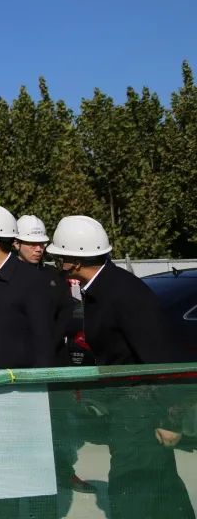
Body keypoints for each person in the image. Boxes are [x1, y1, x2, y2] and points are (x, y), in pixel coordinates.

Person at [48, 215, 194, 518]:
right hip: (128, 409)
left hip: (144, 411)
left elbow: (163, 360)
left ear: (75, 262)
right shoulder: (100, 289)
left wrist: (172, 419)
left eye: (61, 258)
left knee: (132, 490)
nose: (58, 265)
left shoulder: (123, 293)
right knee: (160, 487)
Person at [0, 204, 56, 519]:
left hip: (25, 399)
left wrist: (39, 393)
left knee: (34, 477)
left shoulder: (31, 281)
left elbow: (43, 342)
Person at [14, 213, 95, 495]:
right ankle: (28, 476)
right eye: (32, 243)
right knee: (23, 427)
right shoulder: (6, 278)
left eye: (42, 244)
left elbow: (68, 313)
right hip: (20, 366)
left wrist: (49, 342)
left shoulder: (54, 277)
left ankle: (62, 471)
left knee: (59, 425)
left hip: (54, 363)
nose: (39, 249)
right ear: (16, 243)